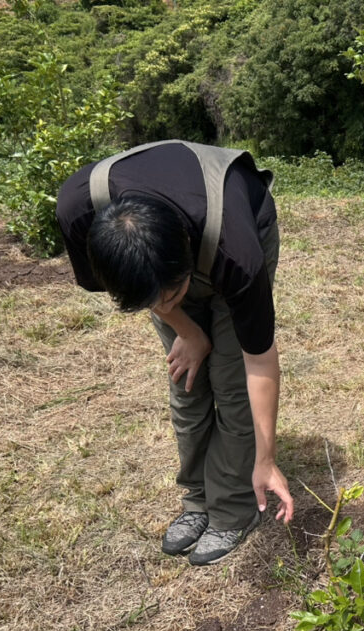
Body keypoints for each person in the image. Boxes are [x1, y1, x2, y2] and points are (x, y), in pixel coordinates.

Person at [56, 140, 294, 566]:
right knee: (187, 383)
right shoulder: (78, 210)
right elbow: (154, 295)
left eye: (176, 293)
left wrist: (267, 458)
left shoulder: (236, 253)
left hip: (240, 221)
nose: (163, 306)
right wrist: (186, 328)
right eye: (155, 300)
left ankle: (233, 508)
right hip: (162, 264)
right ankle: (199, 501)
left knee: (231, 383)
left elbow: (258, 359)